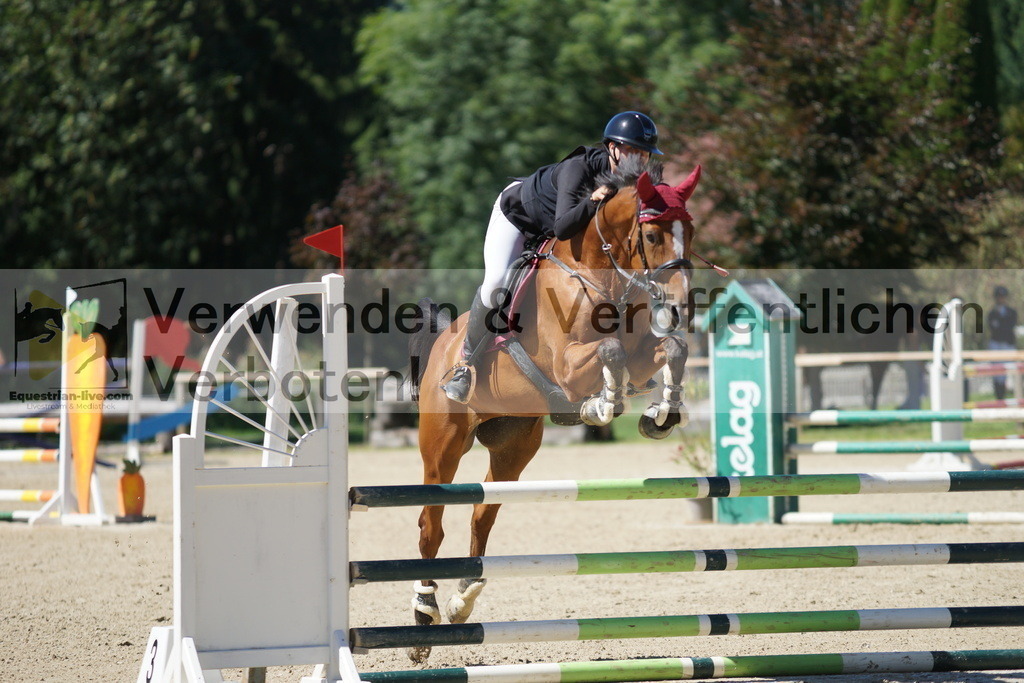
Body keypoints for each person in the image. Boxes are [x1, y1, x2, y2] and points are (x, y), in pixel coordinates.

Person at [441, 111, 664, 403]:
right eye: (631, 149)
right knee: (496, 281)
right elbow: (563, 227)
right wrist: (597, 197)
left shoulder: (635, 183)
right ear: (611, 147)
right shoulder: (578, 169)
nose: (639, 158)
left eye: (644, 153)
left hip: (560, 225)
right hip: (520, 216)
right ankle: (466, 363)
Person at [988, 285, 1019, 400]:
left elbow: (1008, 328)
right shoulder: (992, 314)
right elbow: (995, 330)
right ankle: (999, 397)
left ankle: (1016, 396)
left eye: (1003, 296)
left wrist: (1001, 326)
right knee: (997, 373)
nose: (1001, 299)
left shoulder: (1012, 312)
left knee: (1012, 370)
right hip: (996, 344)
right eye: (999, 296)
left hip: (1008, 344)